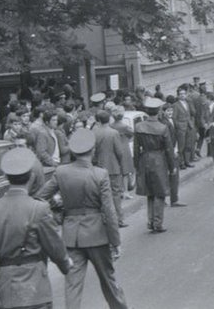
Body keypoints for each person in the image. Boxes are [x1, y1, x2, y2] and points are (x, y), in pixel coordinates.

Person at [37, 128, 128, 309]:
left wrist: (58, 209)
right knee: (108, 279)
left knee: (72, 284)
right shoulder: (100, 174)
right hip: (97, 235)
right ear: (92, 150)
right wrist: (115, 240)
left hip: (72, 235)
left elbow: (40, 197)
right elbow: (109, 211)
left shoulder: (61, 172)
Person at [0, 148, 72, 309]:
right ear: (32, 177)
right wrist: (65, 265)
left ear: (7, 177)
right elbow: (54, 246)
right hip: (36, 286)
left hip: (7, 287)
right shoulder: (39, 208)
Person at [133, 97, 175, 233]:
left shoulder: (139, 127)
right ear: (158, 112)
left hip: (144, 159)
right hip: (159, 159)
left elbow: (135, 149)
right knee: (160, 192)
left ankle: (150, 221)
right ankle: (158, 222)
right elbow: (168, 149)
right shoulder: (162, 128)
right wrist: (172, 166)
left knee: (149, 192)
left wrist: (137, 165)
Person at [92, 110, 127, 227]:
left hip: (99, 167)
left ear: (99, 120)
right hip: (113, 167)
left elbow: (93, 153)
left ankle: (105, 219)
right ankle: (119, 219)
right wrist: (121, 164)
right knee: (116, 194)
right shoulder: (114, 133)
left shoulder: (94, 133)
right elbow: (119, 152)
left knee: (102, 195)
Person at [159, 103, 186, 207]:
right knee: (172, 176)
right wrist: (173, 151)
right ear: (163, 112)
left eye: (171, 111)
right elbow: (167, 140)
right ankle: (171, 199)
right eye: (168, 111)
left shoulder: (171, 121)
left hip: (173, 150)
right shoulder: (164, 123)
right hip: (169, 153)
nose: (170, 113)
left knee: (172, 176)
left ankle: (172, 199)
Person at [172, 88, 195, 168]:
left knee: (188, 145)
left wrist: (190, 123)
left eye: (184, 94)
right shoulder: (175, 105)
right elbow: (174, 118)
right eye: (181, 94)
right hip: (181, 128)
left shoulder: (187, 103)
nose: (182, 95)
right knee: (181, 146)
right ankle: (181, 163)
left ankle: (187, 161)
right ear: (178, 95)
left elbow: (190, 114)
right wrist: (178, 126)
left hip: (188, 126)